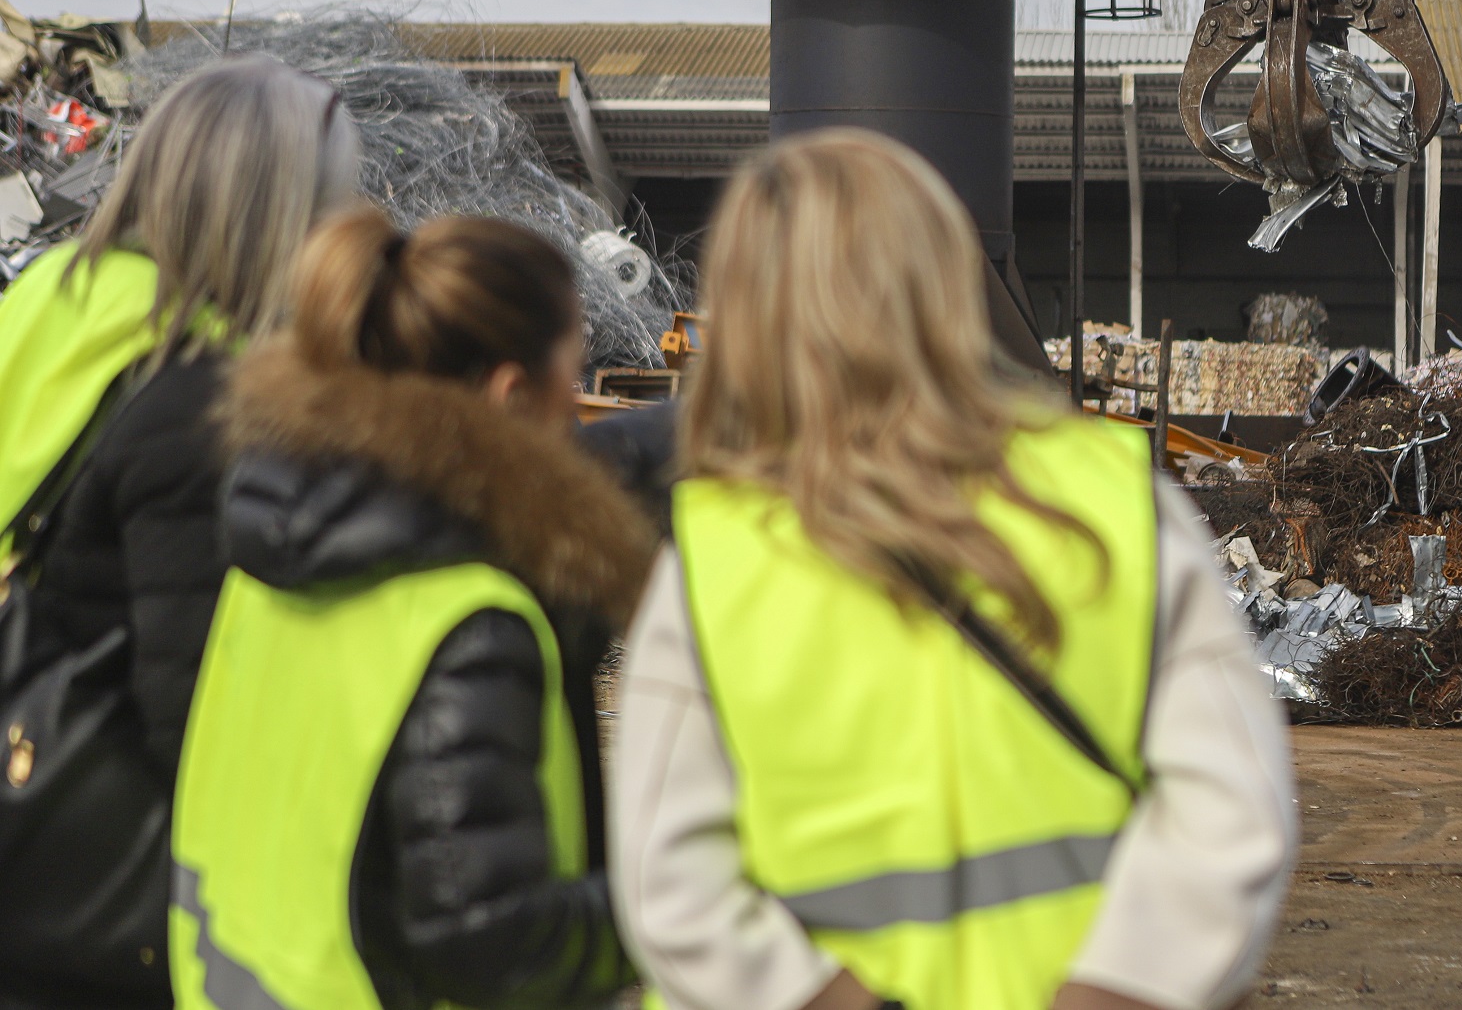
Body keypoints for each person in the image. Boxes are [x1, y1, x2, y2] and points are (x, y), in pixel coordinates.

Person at [612, 130, 1297, 1010]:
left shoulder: (712, 560)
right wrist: (1124, 984)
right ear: (946, 280)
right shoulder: (1117, 502)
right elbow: (1234, 806)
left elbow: (666, 882)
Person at [171, 207, 656, 1010]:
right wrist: (688, 901)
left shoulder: (277, 557)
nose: (578, 419)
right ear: (507, 398)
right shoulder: (473, 624)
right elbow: (493, 938)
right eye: (570, 384)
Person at [0, 53, 359, 1008]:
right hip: (85, 902)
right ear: (282, 218)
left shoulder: (48, 303)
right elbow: (197, 719)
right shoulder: (198, 395)